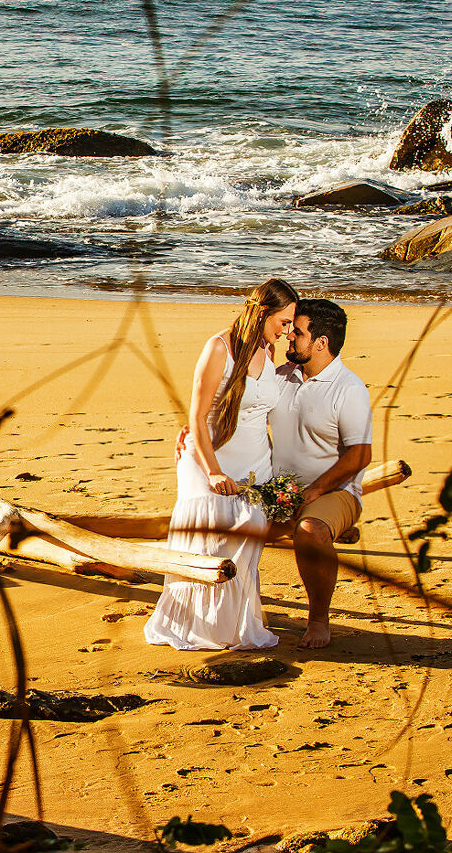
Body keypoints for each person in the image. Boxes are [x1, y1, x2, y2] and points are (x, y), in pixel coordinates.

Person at [143, 278, 297, 651]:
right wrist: (212, 470)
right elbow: (197, 416)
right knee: (209, 542)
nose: (287, 330)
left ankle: (232, 625)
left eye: (291, 324)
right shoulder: (218, 348)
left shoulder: (268, 350)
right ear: (263, 313)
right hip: (209, 457)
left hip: (255, 463)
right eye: (283, 322)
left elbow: (258, 412)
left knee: (249, 534)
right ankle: (199, 624)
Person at [271, 298, 373, 649]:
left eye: (297, 333)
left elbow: (360, 453)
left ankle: (317, 619)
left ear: (321, 342)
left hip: (334, 493)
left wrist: (313, 492)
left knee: (311, 529)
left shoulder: (349, 389)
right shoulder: (282, 376)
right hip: (278, 492)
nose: (289, 338)